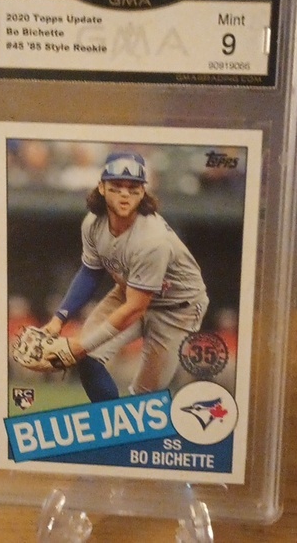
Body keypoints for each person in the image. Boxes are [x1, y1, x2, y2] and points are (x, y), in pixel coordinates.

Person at [43, 151, 208, 402]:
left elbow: (135, 308)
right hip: (130, 291)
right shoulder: (93, 223)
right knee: (88, 358)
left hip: (177, 309)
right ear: (101, 187)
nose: (124, 194)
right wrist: (59, 319)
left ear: (143, 192)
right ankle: (111, 422)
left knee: (143, 399)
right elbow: (90, 271)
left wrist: (80, 345)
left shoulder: (152, 239)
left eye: (133, 188)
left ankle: (127, 421)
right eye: (117, 186)